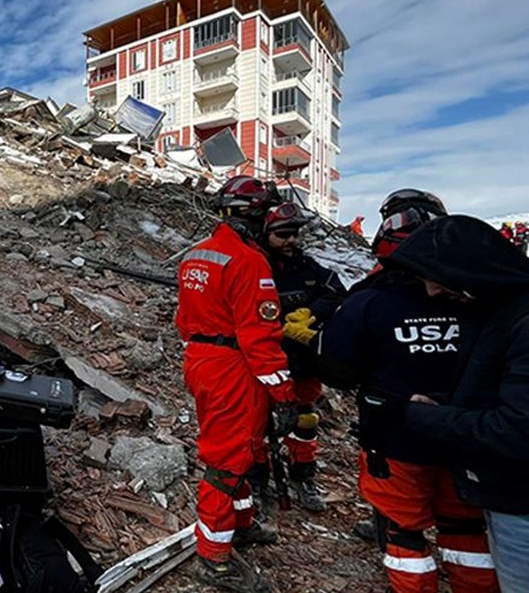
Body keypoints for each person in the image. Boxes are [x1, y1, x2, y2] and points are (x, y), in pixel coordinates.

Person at [283, 200, 498, 593]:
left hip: (396, 439)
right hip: (468, 435)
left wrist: (313, 341)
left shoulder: (371, 301)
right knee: (466, 531)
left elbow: (339, 368)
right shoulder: (484, 302)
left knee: (404, 533)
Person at [379, 214, 529, 590]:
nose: (430, 293)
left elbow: (518, 429)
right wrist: (448, 404)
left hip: (520, 501)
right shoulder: (496, 312)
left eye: (435, 279)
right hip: (504, 493)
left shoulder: (521, 321)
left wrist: (425, 417)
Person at [176, 175, 297, 592]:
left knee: (242, 451)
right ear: (257, 216)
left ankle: (240, 524)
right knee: (228, 461)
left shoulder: (198, 254)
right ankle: (213, 558)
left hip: (202, 359)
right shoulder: (248, 261)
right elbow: (260, 338)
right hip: (233, 367)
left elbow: (184, 320)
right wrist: (284, 395)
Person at [246, 203, 346, 515]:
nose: (291, 240)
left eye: (294, 233)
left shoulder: (308, 268)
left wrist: (311, 314)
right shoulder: (256, 266)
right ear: (266, 234)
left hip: (302, 362)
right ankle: (259, 483)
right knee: (259, 424)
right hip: (265, 361)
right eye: (282, 234)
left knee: (304, 421)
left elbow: (336, 292)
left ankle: (303, 477)